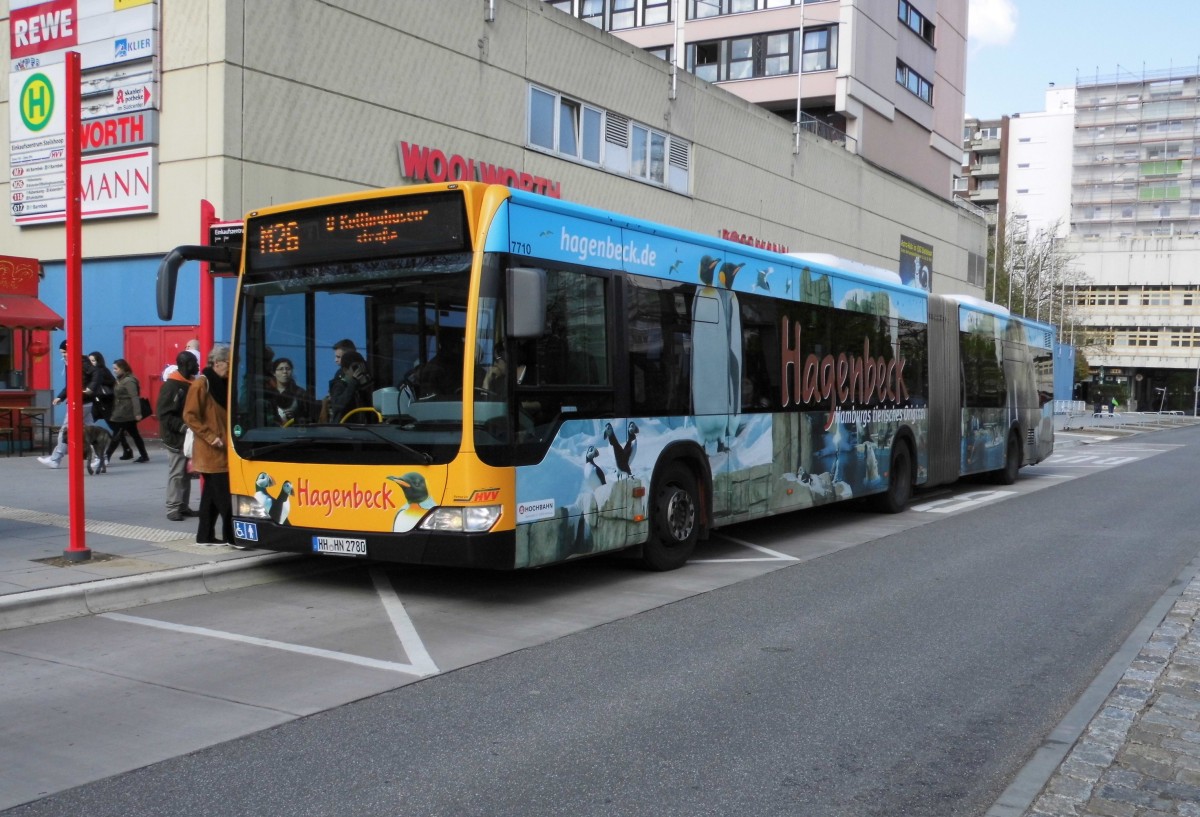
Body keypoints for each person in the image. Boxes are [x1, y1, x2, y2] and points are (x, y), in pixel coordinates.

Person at [184, 345, 239, 547]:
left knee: (210, 498)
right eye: (229, 364)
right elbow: (189, 415)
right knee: (225, 498)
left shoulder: (222, 383)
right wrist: (211, 436)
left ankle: (204, 536)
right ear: (217, 363)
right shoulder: (202, 384)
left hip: (220, 450)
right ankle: (233, 537)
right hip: (211, 451)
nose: (231, 369)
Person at [39, 340, 98, 469]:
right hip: (84, 402)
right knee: (92, 431)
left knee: (65, 430)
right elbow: (70, 384)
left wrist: (90, 388)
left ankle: (55, 458)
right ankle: (101, 457)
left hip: (80, 402)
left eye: (65, 352)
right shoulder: (72, 362)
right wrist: (61, 397)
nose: (63, 355)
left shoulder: (81, 362)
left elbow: (96, 373)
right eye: (62, 353)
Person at [158, 350, 200, 521]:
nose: (197, 366)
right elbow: (164, 414)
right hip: (176, 438)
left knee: (185, 473)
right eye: (194, 363)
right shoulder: (172, 386)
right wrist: (183, 427)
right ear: (185, 365)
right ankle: (173, 508)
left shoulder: (189, 383)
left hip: (185, 435)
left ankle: (182, 506)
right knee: (177, 473)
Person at [104, 358, 150, 464]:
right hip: (122, 410)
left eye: (116, 369)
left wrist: (137, 413)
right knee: (134, 434)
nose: (114, 371)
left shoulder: (129, 381)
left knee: (117, 434)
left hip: (125, 412)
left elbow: (134, 397)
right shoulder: (120, 379)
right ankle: (144, 455)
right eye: (113, 369)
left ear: (123, 368)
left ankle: (106, 457)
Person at [87, 350, 129, 459]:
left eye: (93, 361)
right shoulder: (95, 372)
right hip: (98, 403)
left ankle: (123, 450)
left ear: (98, 361)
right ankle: (126, 449)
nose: (91, 363)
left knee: (115, 428)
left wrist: (97, 381)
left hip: (105, 403)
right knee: (88, 423)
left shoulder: (101, 371)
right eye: (90, 361)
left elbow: (111, 382)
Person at [326, 350, 374, 422]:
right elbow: (338, 406)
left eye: (361, 367)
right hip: (344, 427)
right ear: (345, 370)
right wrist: (353, 382)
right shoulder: (339, 385)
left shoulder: (358, 387)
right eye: (355, 368)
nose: (359, 371)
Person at [268, 357, 315, 424]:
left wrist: (295, 417)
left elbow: (310, 419)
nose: (285, 372)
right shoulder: (269, 393)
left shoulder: (301, 393)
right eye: (281, 369)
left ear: (292, 371)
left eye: (288, 369)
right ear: (274, 373)